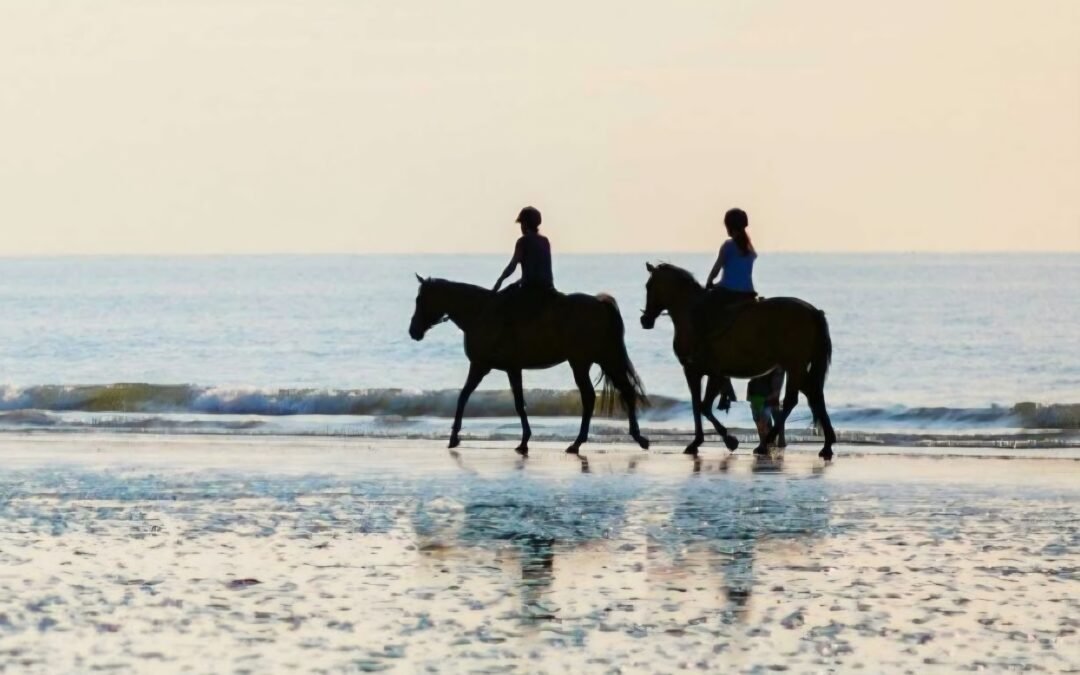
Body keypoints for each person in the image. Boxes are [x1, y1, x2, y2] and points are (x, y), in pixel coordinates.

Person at [698, 208, 758, 337]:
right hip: (748, 293)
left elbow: (716, 268)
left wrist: (709, 281)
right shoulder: (749, 247)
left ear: (730, 226)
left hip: (729, 291)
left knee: (700, 306)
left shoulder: (728, 245)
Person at [747, 369, 786, 448]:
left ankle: (767, 443)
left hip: (761, 393)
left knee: (762, 420)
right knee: (765, 419)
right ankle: (771, 442)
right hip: (762, 393)